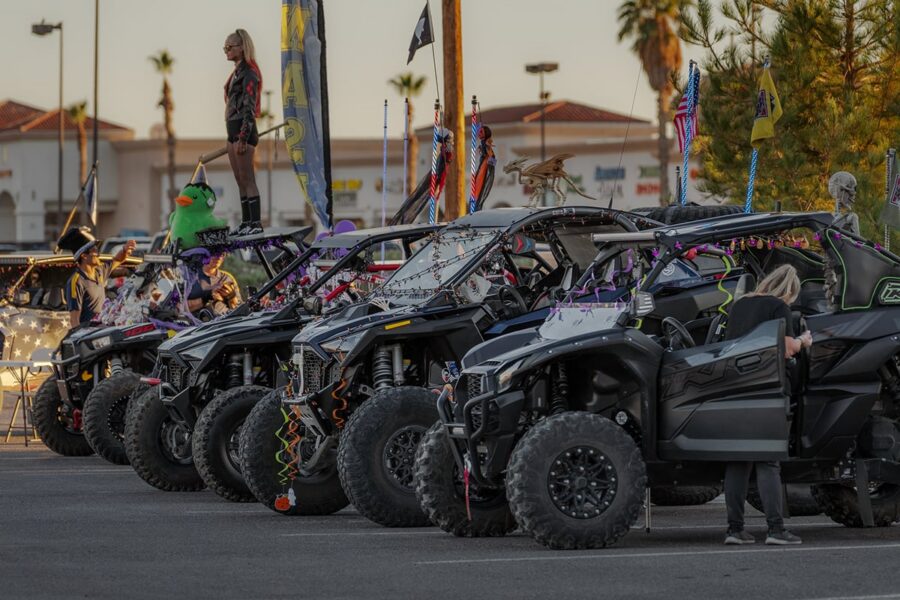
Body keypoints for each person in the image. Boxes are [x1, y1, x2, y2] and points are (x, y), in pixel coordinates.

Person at [722, 264, 812, 546]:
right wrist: (803, 341)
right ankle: (775, 530)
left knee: (737, 461)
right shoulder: (778, 307)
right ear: (789, 290)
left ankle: (734, 530)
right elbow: (785, 349)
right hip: (767, 388)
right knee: (768, 461)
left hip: (736, 389)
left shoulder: (739, 306)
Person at [223, 28, 263, 236]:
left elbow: (249, 107)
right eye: (225, 47)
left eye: (230, 47)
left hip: (243, 131)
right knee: (239, 179)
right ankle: (246, 221)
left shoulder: (249, 73)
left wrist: (243, 136)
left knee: (248, 179)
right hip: (231, 130)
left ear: (242, 47)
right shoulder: (236, 73)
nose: (226, 51)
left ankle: (255, 222)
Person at [60, 227, 136, 327]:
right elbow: (74, 320)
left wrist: (125, 250)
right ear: (84, 256)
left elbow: (117, 260)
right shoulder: (76, 281)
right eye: (94, 251)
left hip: (103, 329)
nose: (98, 254)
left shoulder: (99, 271)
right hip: (89, 333)